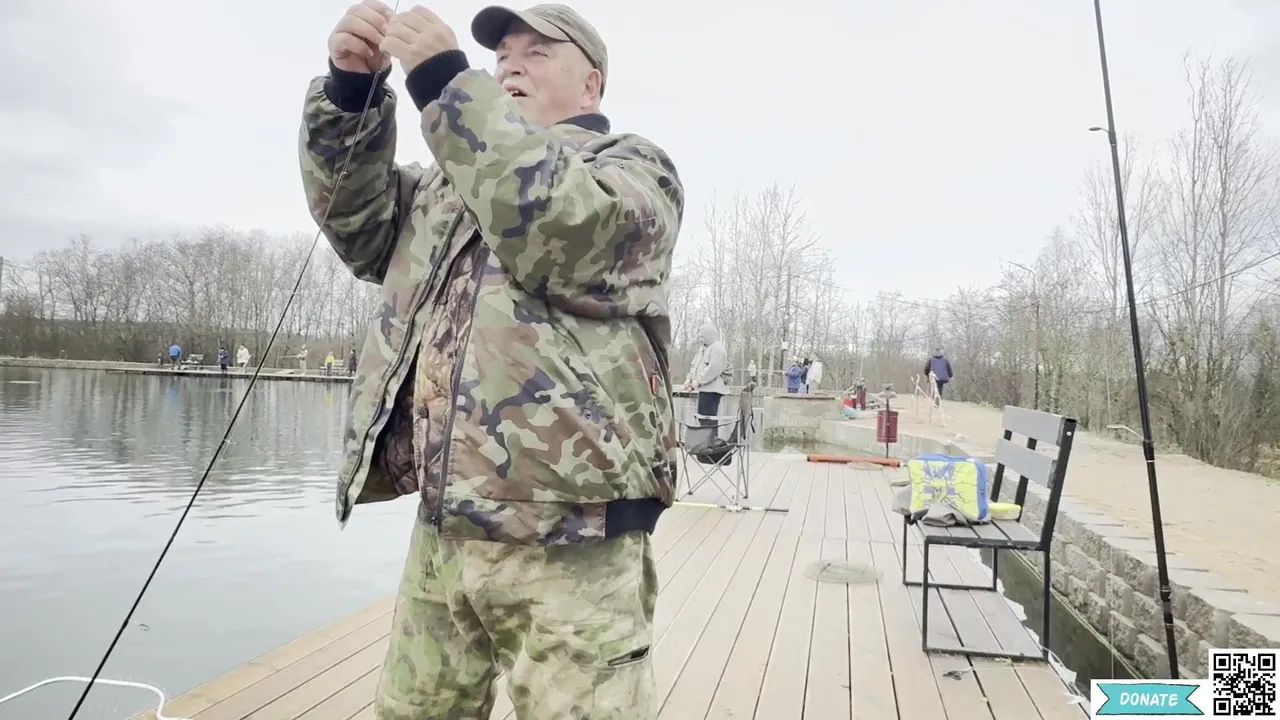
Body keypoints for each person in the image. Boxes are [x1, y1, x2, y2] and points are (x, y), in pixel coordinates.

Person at [301, 3, 683, 718]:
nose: (511, 66)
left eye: (538, 52)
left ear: (592, 85)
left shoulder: (633, 170)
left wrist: (449, 85)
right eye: (503, 55)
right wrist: (351, 95)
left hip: (576, 538)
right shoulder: (447, 186)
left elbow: (564, 226)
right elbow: (357, 226)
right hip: (444, 528)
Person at [681, 321, 729, 426]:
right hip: (704, 389)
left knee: (708, 418)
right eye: (699, 337)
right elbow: (694, 365)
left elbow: (713, 369)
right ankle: (704, 435)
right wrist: (689, 379)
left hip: (713, 390)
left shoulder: (718, 349)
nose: (700, 339)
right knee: (702, 416)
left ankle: (710, 435)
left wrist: (698, 381)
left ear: (709, 335)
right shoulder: (703, 349)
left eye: (702, 337)